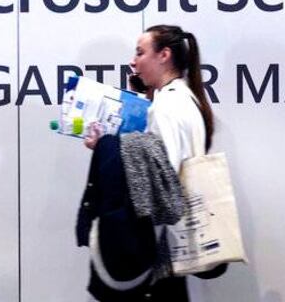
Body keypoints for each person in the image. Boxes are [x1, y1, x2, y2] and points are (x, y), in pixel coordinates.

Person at [84, 24, 216, 301]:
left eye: (140, 52)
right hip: (175, 241)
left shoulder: (167, 107)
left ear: (164, 55)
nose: (134, 62)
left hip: (158, 246)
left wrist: (107, 148)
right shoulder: (186, 99)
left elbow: (159, 181)